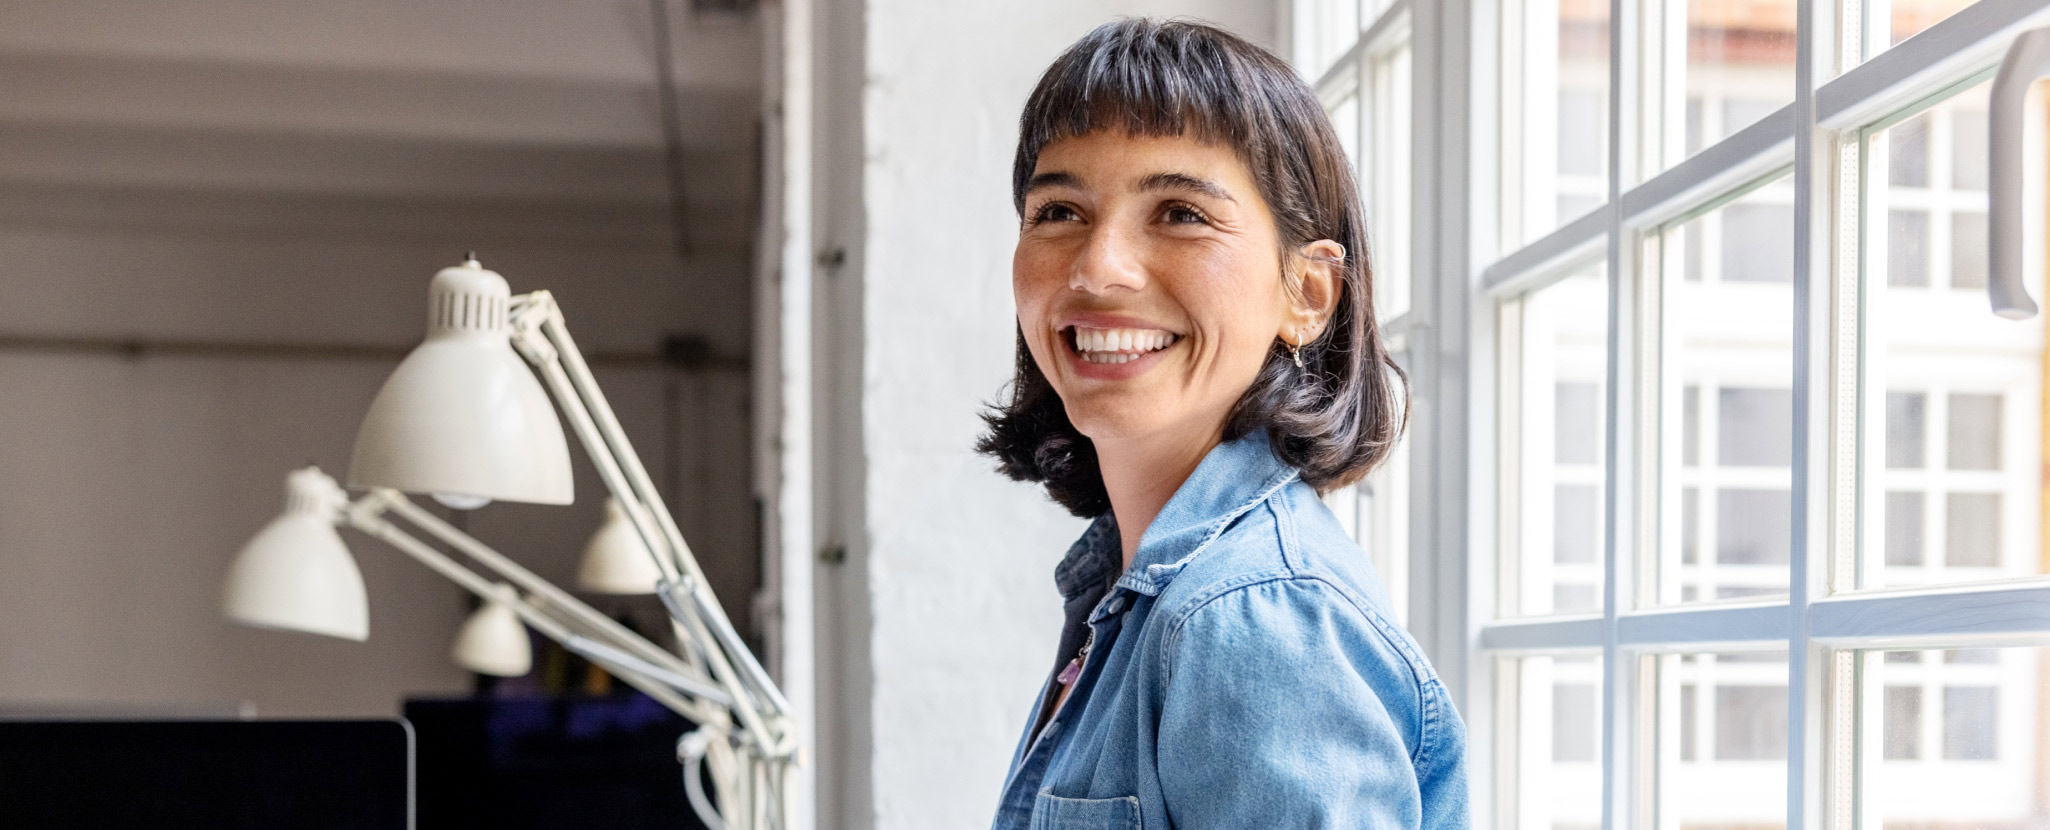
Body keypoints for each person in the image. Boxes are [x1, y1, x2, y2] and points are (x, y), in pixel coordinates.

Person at [977, 17, 1470, 829]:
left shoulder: (1251, 617)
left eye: (1179, 213)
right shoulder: (1138, 588)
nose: (1098, 268)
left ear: (1307, 294)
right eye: (1059, 211)